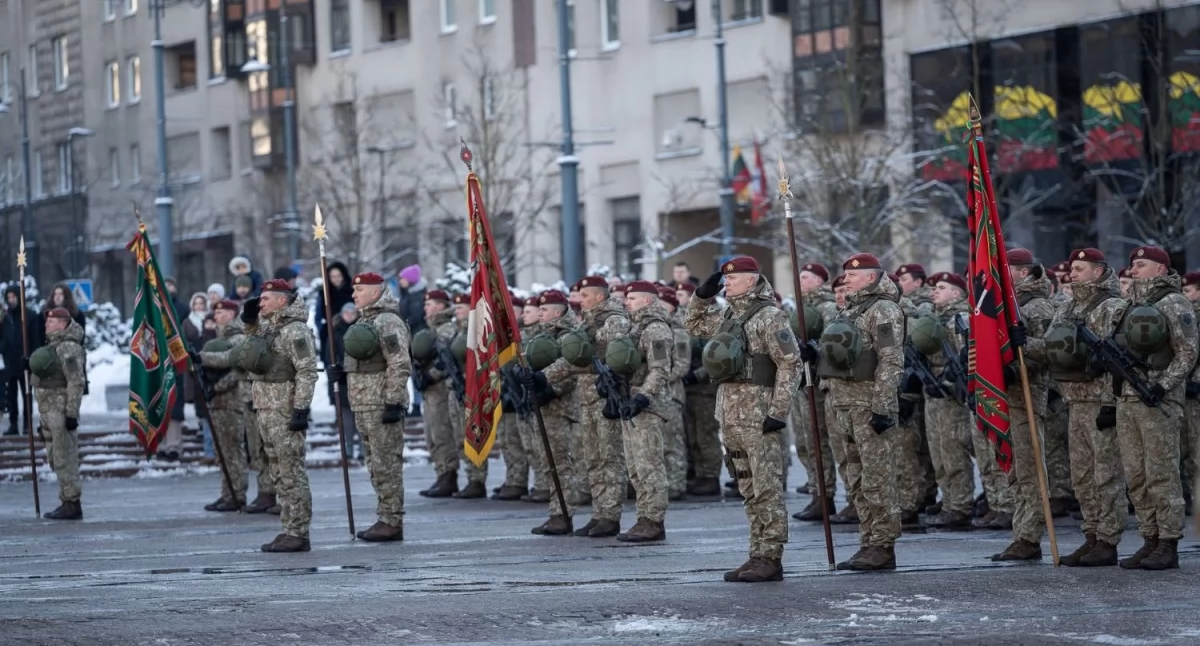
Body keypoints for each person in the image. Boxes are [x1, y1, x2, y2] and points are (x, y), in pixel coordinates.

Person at [684, 256, 801, 582]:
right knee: (747, 487)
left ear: (752, 280)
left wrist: (778, 412)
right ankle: (756, 552)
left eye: (734, 278)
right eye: (726, 279)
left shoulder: (770, 317)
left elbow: (791, 364)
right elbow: (692, 325)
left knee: (766, 488)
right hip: (731, 413)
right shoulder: (727, 315)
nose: (728, 283)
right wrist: (701, 297)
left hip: (759, 414)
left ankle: (771, 556)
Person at [1031, 249, 1128, 566]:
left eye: (1080, 268)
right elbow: (1052, 349)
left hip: (1100, 402)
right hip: (1075, 399)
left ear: (1098, 272)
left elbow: (1118, 360)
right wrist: (1024, 343)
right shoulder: (1069, 306)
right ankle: (1091, 535)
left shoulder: (1112, 306)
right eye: (1071, 268)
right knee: (1083, 476)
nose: (1072, 273)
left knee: (1106, 475)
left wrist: (1111, 403)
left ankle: (1108, 540)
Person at [812, 253, 905, 571]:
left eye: (853, 275)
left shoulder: (884, 310)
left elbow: (891, 359)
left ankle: (882, 544)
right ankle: (868, 540)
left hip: (869, 405)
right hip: (844, 404)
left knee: (877, 478)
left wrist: (881, 405)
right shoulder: (851, 309)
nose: (846, 279)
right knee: (856, 477)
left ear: (871, 277)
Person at [1111, 246, 1195, 569]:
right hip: (1128, 401)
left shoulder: (1173, 302)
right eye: (1132, 264)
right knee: (1136, 475)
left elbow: (1187, 353)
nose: (1134, 269)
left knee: (1161, 473)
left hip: (1159, 400)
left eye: (1141, 264)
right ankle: (1149, 538)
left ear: (1160, 270)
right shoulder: (1131, 304)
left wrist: (1162, 385)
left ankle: (1169, 543)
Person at [542, 275, 631, 538]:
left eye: (584, 296)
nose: (579, 301)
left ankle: (610, 516)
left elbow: (603, 356)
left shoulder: (615, 320)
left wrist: (553, 373)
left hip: (606, 398)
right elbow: (572, 359)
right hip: (587, 399)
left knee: (609, 458)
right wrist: (544, 376)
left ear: (599, 297)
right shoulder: (587, 322)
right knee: (592, 458)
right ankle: (599, 512)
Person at [328, 272, 411, 542]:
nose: (354, 295)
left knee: (386, 463)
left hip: (380, 404)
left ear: (376, 293)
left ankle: (391, 520)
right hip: (364, 403)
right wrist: (342, 373)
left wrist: (393, 401)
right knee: (375, 464)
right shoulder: (367, 321)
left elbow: (399, 363)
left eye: (360, 289)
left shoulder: (387, 321)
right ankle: (385, 516)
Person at [989, 248, 1056, 562]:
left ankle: (1030, 536)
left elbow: (1051, 350)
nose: (1003, 274)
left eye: (1009, 269)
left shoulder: (1038, 304)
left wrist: (1024, 342)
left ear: (1025, 272)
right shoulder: (1004, 303)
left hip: (1028, 394)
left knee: (1030, 468)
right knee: (1015, 469)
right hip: (1005, 395)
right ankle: (1022, 533)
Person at [243, 279, 319, 553]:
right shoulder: (270, 327)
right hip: (266, 408)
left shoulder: (295, 330)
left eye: (265, 298)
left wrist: (301, 408)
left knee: (291, 471)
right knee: (277, 470)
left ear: (282, 300)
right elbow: (250, 349)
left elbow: (307, 371)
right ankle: (288, 528)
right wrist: (250, 319)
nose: (260, 302)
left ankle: (299, 531)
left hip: (285, 408)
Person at [606, 280, 674, 542]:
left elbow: (660, 369)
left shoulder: (656, 329)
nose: (626, 302)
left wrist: (644, 397)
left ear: (647, 301)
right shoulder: (635, 327)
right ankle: (643, 518)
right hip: (630, 404)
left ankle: (653, 521)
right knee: (635, 467)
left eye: (632, 298)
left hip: (647, 406)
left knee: (649, 466)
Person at [524, 290, 585, 535]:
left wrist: (550, 389)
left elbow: (573, 371)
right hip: (544, 408)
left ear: (558, 312)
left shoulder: (568, 337)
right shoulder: (541, 336)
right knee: (548, 463)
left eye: (545, 309)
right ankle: (556, 511)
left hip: (561, 408)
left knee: (560, 464)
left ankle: (564, 513)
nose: (540, 313)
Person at [917, 272, 974, 530]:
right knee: (938, 451)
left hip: (952, 394)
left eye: (941, 287)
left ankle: (960, 505)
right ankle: (949, 500)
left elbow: (966, 358)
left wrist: (950, 381)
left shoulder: (960, 319)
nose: (934, 292)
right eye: (934, 288)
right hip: (934, 389)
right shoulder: (936, 318)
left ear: (957, 293)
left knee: (953, 450)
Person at [791, 262, 841, 520]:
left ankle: (826, 494)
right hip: (803, 380)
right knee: (807, 442)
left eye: (806, 277)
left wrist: (816, 353)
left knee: (822, 441)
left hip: (820, 381)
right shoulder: (799, 308)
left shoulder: (827, 307)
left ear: (820, 281)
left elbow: (833, 344)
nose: (800, 280)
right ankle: (817, 492)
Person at [195, 299, 251, 512]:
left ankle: (237, 493)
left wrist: (217, 386)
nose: (217, 316)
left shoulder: (239, 337)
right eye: (215, 312)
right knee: (223, 452)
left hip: (232, 401)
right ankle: (227, 492)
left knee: (233, 450)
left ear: (232, 314)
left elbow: (236, 368)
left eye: (222, 312)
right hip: (218, 403)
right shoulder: (220, 337)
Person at [31, 308, 86, 520]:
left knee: (64, 458)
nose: (46, 324)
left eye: (51, 321)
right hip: (49, 411)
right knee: (56, 458)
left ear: (63, 323)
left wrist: (71, 413)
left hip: (60, 410)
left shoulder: (69, 348)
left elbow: (75, 381)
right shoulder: (54, 345)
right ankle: (67, 499)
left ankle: (72, 503)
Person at [413, 290, 459, 497]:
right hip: (430, 391)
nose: (426, 308)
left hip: (440, 389)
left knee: (441, 433)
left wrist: (431, 375)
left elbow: (446, 360)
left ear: (441, 306)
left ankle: (449, 476)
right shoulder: (431, 328)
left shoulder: (447, 329)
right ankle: (441, 473)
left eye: (430, 304)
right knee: (431, 434)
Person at [331, 302, 362, 459]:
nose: (349, 316)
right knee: (346, 413)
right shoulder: (334, 331)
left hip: (359, 375)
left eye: (352, 313)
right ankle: (348, 445)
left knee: (361, 413)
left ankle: (362, 445)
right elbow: (329, 352)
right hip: (342, 376)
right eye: (346, 313)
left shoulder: (362, 329)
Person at [314, 260, 353, 374]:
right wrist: (323, 328)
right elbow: (318, 316)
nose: (336, 279)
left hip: (349, 332)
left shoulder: (351, 292)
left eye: (338, 276)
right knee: (332, 366)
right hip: (330, 332)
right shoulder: (324, 293)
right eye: (332, 276)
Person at [396, 264, 428, 336]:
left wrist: (403, 325)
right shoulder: (406, 294)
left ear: (410, 280)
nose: (400, 281)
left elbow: (416, 317)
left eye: (402, 278)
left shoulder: (417, 296)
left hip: (416, 333)